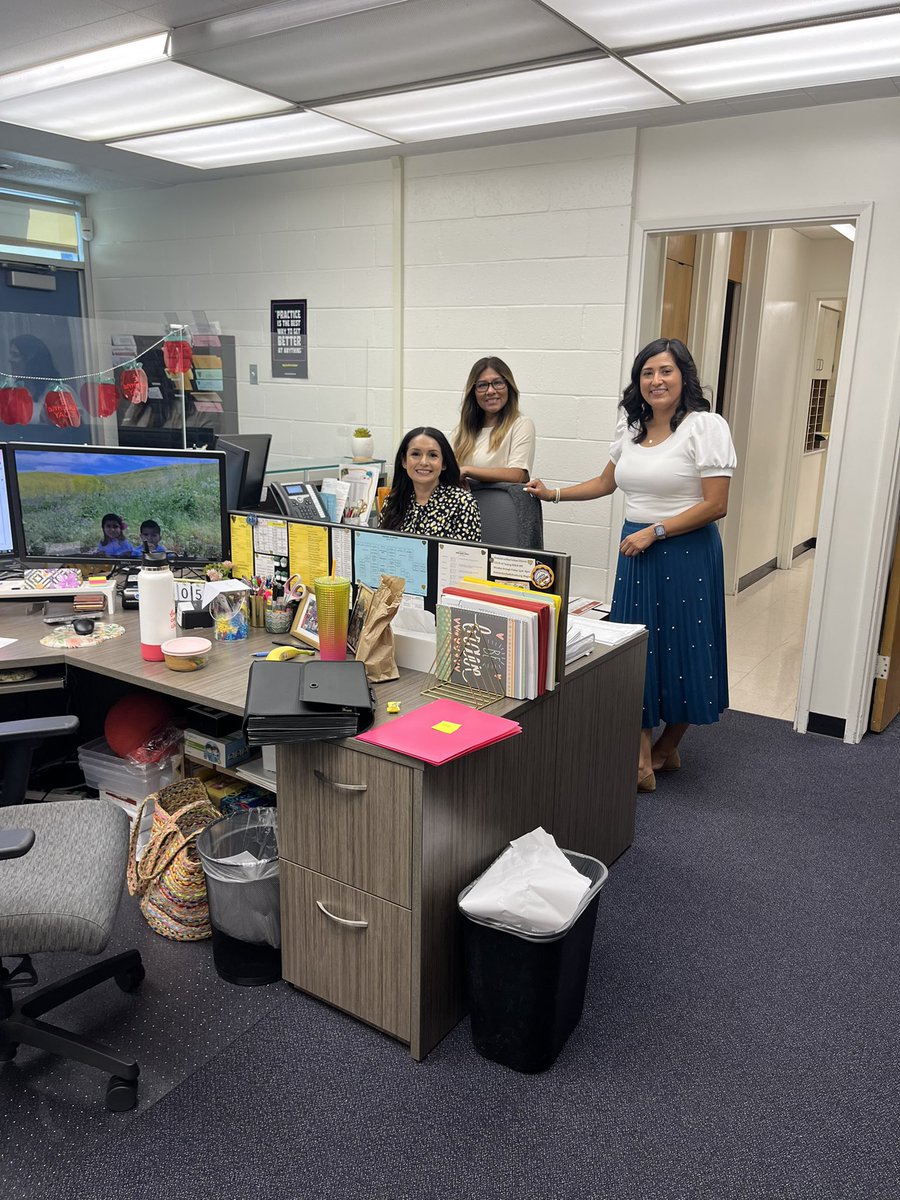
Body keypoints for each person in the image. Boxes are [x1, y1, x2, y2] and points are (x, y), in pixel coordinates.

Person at [525, 338, 736, 792]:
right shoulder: (632, 425)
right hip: (636, 552)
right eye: (647, 373)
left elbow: (716, 505)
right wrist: (554, 493)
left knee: (687, 650)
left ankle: (663, 748)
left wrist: (655, 531)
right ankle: (643, 756)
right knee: (635, 649)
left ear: (684, 376)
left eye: (665, 371)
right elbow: (607, 482)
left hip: (685, 552)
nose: (656, 381)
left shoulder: (705, 426)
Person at [380, 427, 482, 540]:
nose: (424, 462)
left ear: (444, 464)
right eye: (415, 454)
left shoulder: (463, 503)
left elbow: (467, 556)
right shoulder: (392, 501)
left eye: (433, 455)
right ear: (404, 461)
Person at [452, 357, 535, 484]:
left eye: (498, 383)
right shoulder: (461, 431)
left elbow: (518, 475)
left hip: (500, 503)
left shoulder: (521, 425)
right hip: (464, 503)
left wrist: (467, 470)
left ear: (509, 387)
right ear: (473, 392)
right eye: (482, 385)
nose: (490, 391)